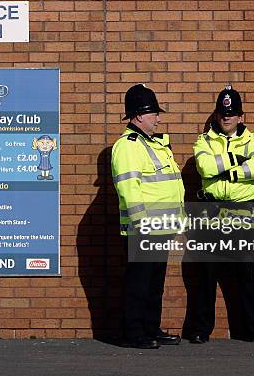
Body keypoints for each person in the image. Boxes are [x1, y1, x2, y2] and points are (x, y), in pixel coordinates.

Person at [182, 84, 254, 345]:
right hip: (211, 210)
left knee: (244, 274)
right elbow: (205, 166)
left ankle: (252, 329)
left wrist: (226, 169)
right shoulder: (204, 140)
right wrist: (238, 161)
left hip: (243, 212)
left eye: (232, 113)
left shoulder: (253, 140)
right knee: (206, 275)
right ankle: (200, 329)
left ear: (241, 116)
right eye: (223, 113)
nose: (227, 117)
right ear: (216, 115)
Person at [111, 83, 185, 349]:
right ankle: (134, 333)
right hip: (144, 228)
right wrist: (142, 223)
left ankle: (150, 328)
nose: (158, 118)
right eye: (154, 113)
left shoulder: (152, 144)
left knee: (155, 284)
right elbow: (129, 188)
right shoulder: (128, 146)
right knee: (139, 284)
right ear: (140, 115)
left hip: (161, 226)